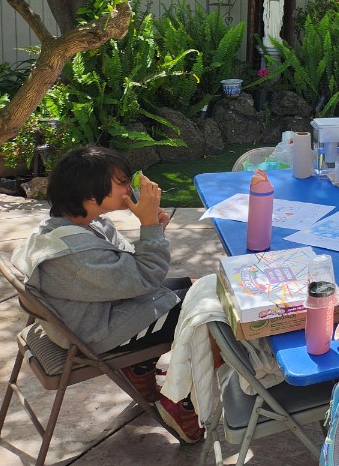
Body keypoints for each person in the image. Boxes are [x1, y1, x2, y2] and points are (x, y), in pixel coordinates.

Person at [11, 145, 202, 442]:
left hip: (98, 310)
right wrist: (149, 226)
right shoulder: (75, 253)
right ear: (89, 193)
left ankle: (139, 369)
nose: (130, 188)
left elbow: (130, 269)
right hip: (97, 332)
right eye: (122, 182)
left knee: (196, 286)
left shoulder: (86, 224)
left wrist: (154, 231)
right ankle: (180, 402)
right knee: (209, 317)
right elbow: (146, 277)